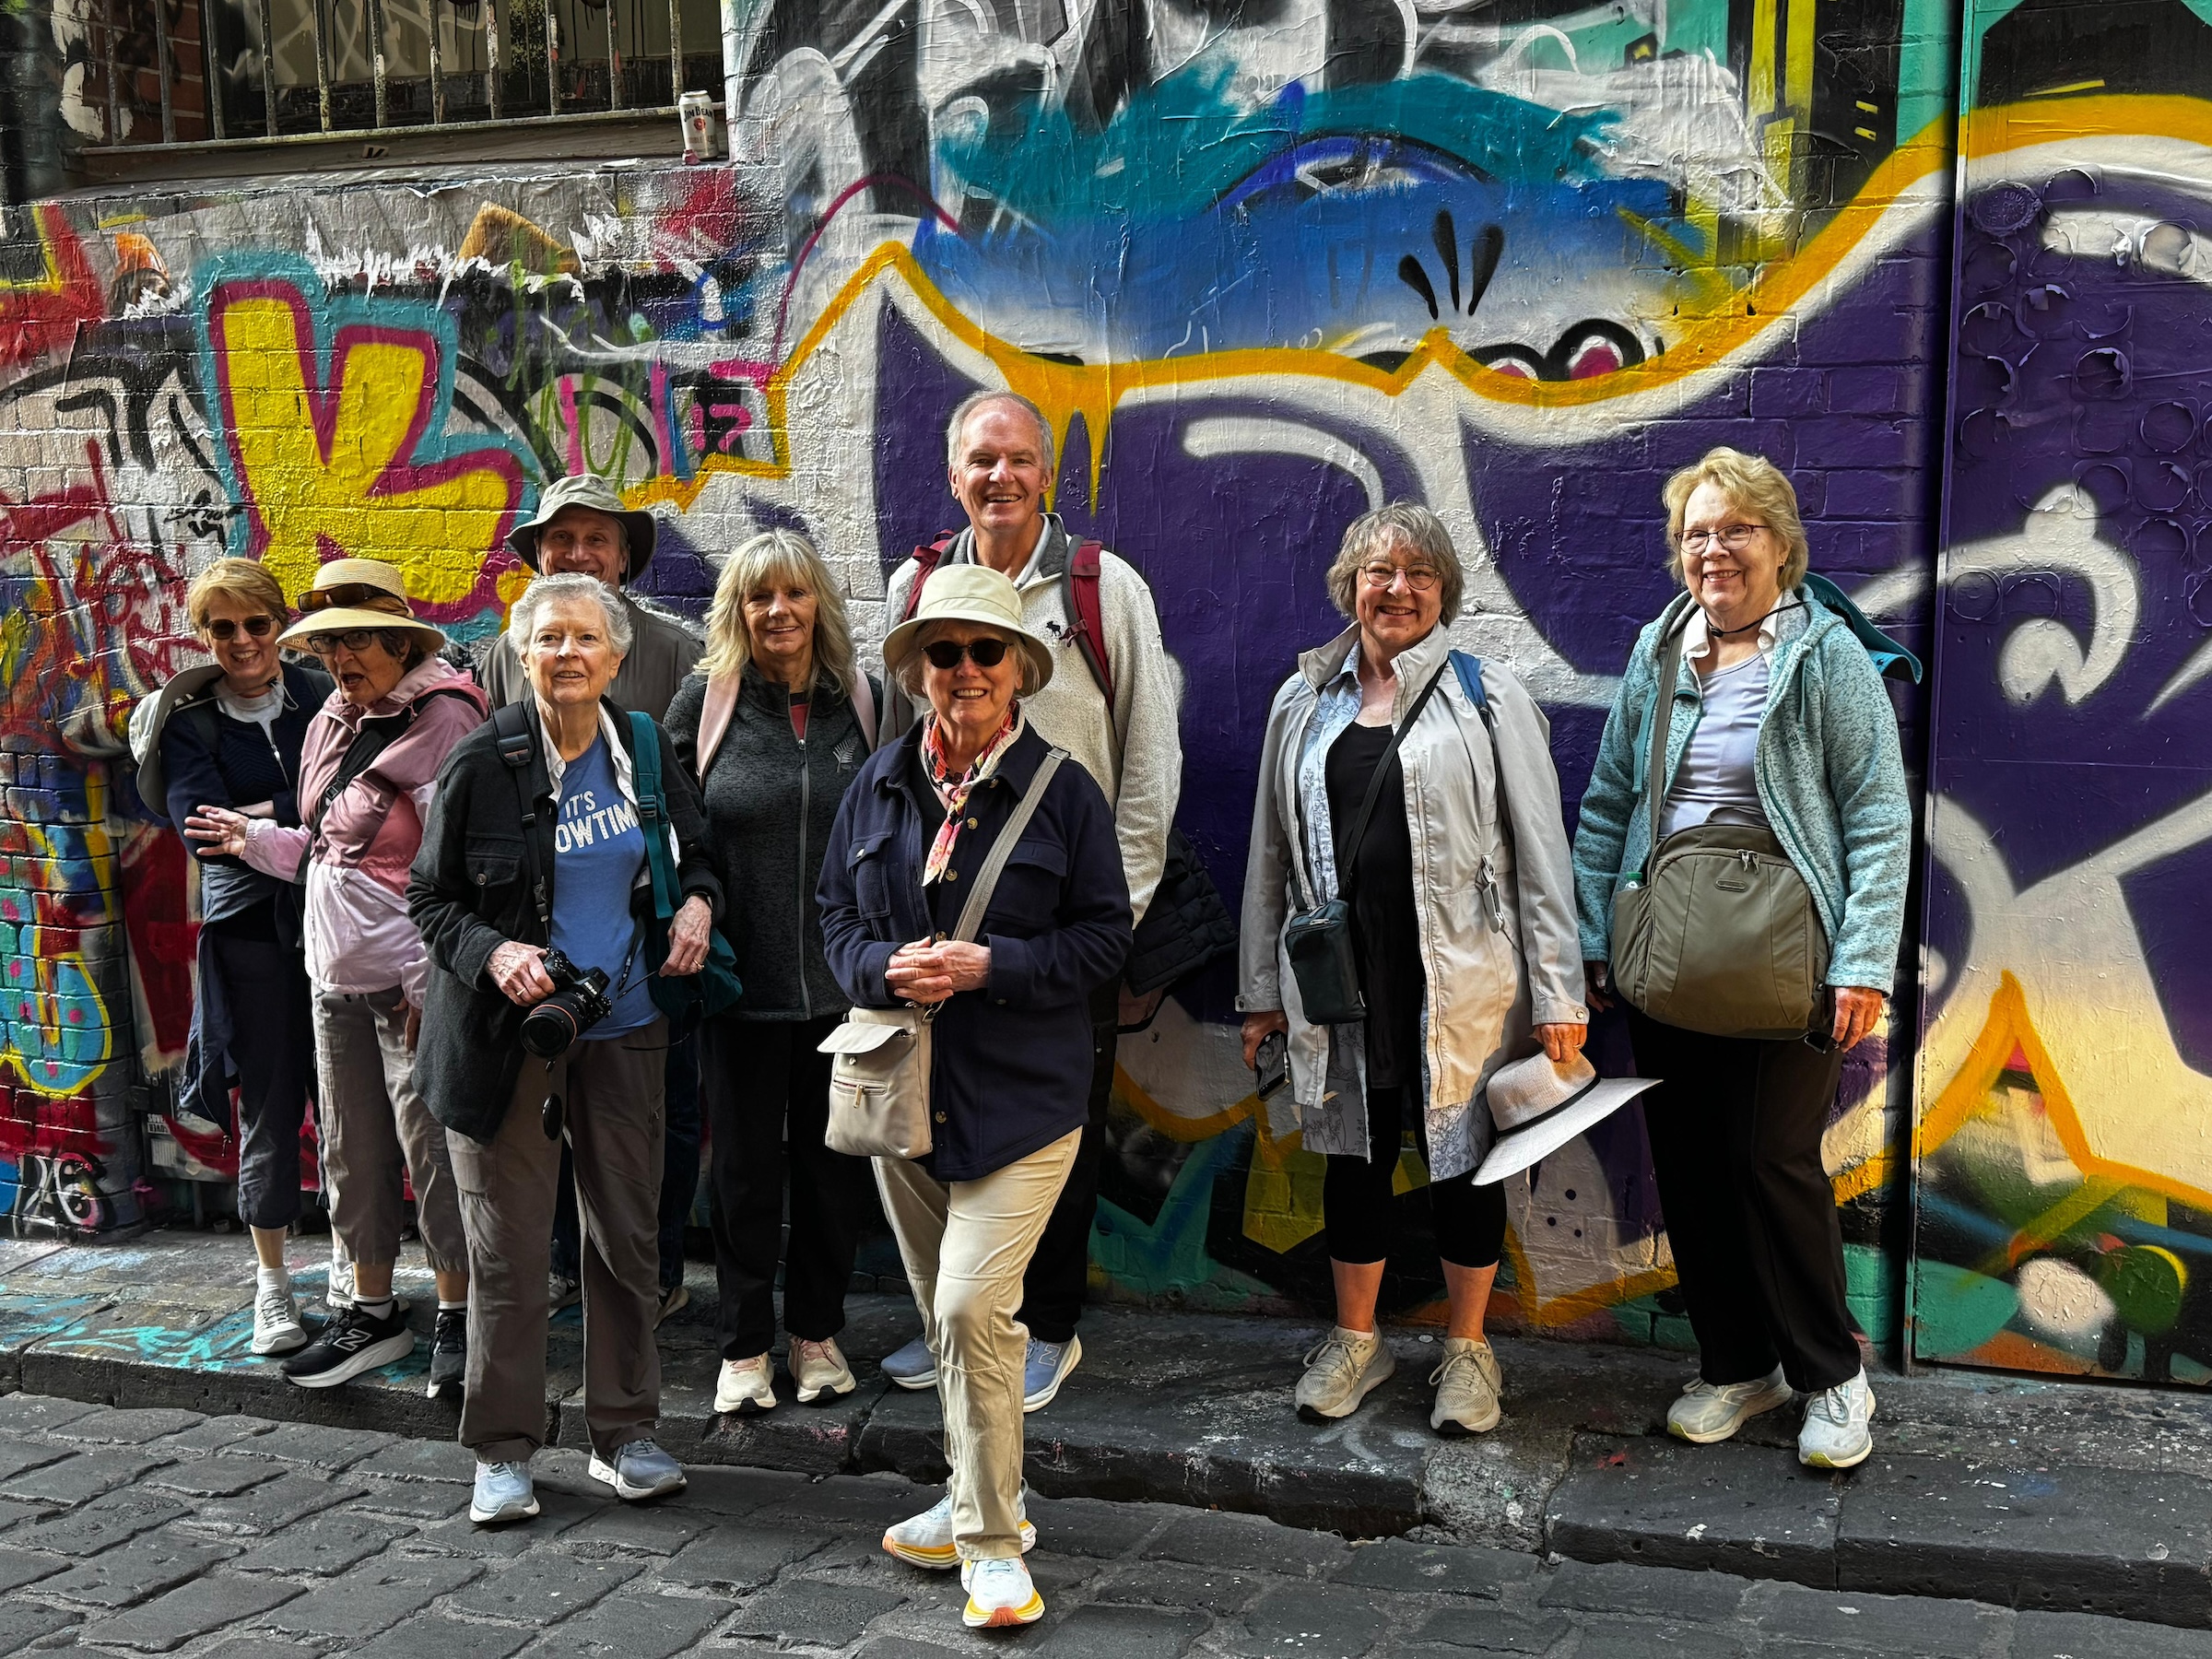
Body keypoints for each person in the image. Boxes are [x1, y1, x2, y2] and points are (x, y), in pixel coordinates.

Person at [1571, 447, 1912, 1471]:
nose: (1715, 551)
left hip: (1784, 950)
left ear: (1782, 545)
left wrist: (1863, 963)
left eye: (1737, 530)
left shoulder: (1825, 657)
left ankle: (1831, 1377)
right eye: (1697, 534)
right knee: (1691, 1169)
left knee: (1772, 1165)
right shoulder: (1660, 647)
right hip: (1670, 947)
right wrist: (1596, 936)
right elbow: (1609, 804)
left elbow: (1878, 817)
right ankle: (1736, 1366)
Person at [818, 565, 1130, 1628]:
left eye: (983, 652)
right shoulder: (881, 783)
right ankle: (966, 1499)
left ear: (1018, 673)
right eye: (941, 653)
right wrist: (879, 972)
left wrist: (992, 966)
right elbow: (835, 921)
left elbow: (1104, 939)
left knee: (968, 1306)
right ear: (915, 672)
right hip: (902, 1096)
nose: (963, 671)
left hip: (1024, 1101)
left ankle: (996, 1544)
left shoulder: (1064, 791)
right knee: (954, 1321)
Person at [1237, 502, 1588, 1434]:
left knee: (1465, 1165)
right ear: (1349, 587)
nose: (1397, 589)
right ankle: (1359, 1340)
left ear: (1444, 592)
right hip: (1339, 983)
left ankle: (1469, 1352)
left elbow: (1540, 853)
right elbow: (1269, 857)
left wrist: (1561, 993)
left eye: (1419, 575)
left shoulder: (1487, 695)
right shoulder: (1302, 700)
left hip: (1463, 979)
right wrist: (1261, 995)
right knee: (1352, 1156)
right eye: (1378, 573)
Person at [877, 390, 1180, 1410]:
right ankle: (962, 1318)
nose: (998, 477)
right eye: (979, 461)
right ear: (952, 473)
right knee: (939, 1114)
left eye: (1017, 460)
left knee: (1060, 1130)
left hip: (1065, 923)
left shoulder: (1102, 588)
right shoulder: (917, 588)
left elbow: (1149, 758)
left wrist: (1117, 916)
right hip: (937, 916)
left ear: (1047, 473)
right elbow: (890, 753)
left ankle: (1047, 1327)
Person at [410, 571, 722, 1526]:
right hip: (509, 1041)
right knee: (506, 1252)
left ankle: (624, 1434)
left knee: (627, 1241)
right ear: (522, 654)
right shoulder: (483, 762)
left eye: (586, 639)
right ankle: (503, 1450)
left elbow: (697, 856)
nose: (567, 655)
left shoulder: (644, 750)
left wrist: (700, 902)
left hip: (627, 1030)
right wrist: (493, 950)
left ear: (617, 657)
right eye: (548, 640)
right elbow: (431, 897)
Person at [186, 559, 487, 1395]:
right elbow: (327, 847)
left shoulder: (444, 719)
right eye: (328, 643)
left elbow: (451, 870)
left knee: (433, 1155)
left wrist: (436, 989)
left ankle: (461, 1317)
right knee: (353, 1156)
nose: (341, 658)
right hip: (335, 975)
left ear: (398, 638)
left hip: (412, 984)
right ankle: (373, 1310)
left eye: (356, 640)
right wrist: (254, 843)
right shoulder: (332, 719)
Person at [664, 530, 877, 1416]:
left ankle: (817, 1335)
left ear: (819, 604)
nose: (778, 613)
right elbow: (671, 826)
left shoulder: (862, 704)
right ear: (737, 613)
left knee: (833, 1176)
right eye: (759, 599)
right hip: (739, 991)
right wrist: (696, 898)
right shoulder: (703, 704)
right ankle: (745, 1346)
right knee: (746, 1175)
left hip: (843, 992)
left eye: (794, 595)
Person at [483, 473, 705, 1325]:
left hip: (649, 930)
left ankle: (655, 1268)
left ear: (624, 558)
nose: (577, 553)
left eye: (596, 539)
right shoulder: (508, 650)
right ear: (539, 553)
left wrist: (696, 896)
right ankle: (566, 1267)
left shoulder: (675, 652)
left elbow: (698, 794)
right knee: (546, 1104)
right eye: (560, 539)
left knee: (659, 1111)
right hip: (541, 930)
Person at [142, 559, 329, 1358]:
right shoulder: (190, 724)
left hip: (339, 921)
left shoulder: (322, 699)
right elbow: (201, 834)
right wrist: (302, 815)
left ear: (279, 623)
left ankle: (357, 1267)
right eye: (224, 628)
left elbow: (359, 797)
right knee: (270, 1106)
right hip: (253, 935)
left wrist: (260, 817)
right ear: (205, 635)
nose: (244, 642)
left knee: (356, 1103)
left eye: (256, 624)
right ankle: (274, 1287)